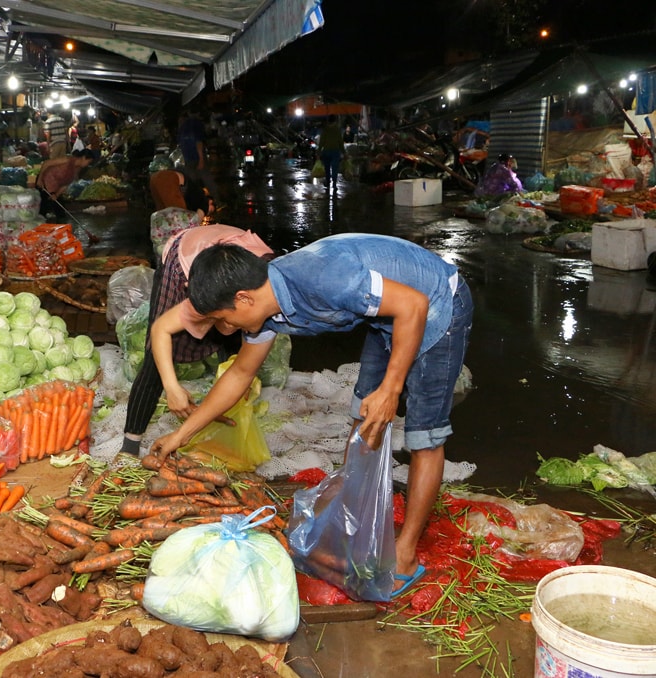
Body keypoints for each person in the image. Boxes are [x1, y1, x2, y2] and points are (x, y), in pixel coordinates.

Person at [150, 234, 474, 596]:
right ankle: (355, 521)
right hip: (389, 315)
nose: (225, 329)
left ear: (243, 298)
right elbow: (240, 375)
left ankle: (406, 554)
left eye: (223, 319)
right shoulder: (266, 312)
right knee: (363, 417)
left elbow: (412, 305)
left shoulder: (323, 278)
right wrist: (181, 435)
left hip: (434, 302)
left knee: (423, 435)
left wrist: (391, 389)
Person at [121, 221, 272, 456]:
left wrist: (229, 396)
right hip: (188, 254)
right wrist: (172, 388)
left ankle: (217, 423)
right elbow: (161, 329)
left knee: (236, 356)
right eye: (221, 319)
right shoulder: (209, 291)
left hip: (230, 259)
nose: (229, 326)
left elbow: (243, 369)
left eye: (229, 320)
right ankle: (130, 445)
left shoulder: (271, 293)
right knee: (158, 357)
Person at [35, 149, 93, 216]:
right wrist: (40, 179)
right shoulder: (66, 160)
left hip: (55, 188)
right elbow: (46, 163)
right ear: (83, 158)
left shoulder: (76, 170)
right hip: (43, 182)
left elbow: (66, 184)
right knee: (42, 210)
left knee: (61, 212)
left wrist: (56, 195)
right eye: (88, 162)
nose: (88, 164)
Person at [316, 114, 344, 186]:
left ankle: (328, 181)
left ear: (328, 121)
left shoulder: (325, 129)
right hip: (335, 151)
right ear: (335, 120)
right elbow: (340, 142)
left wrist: (318, 153)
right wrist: (344, 152)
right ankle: (334, 183)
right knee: (335, 168)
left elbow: (321, 142)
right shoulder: (337, 129)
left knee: (327, 167)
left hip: (326, 151)